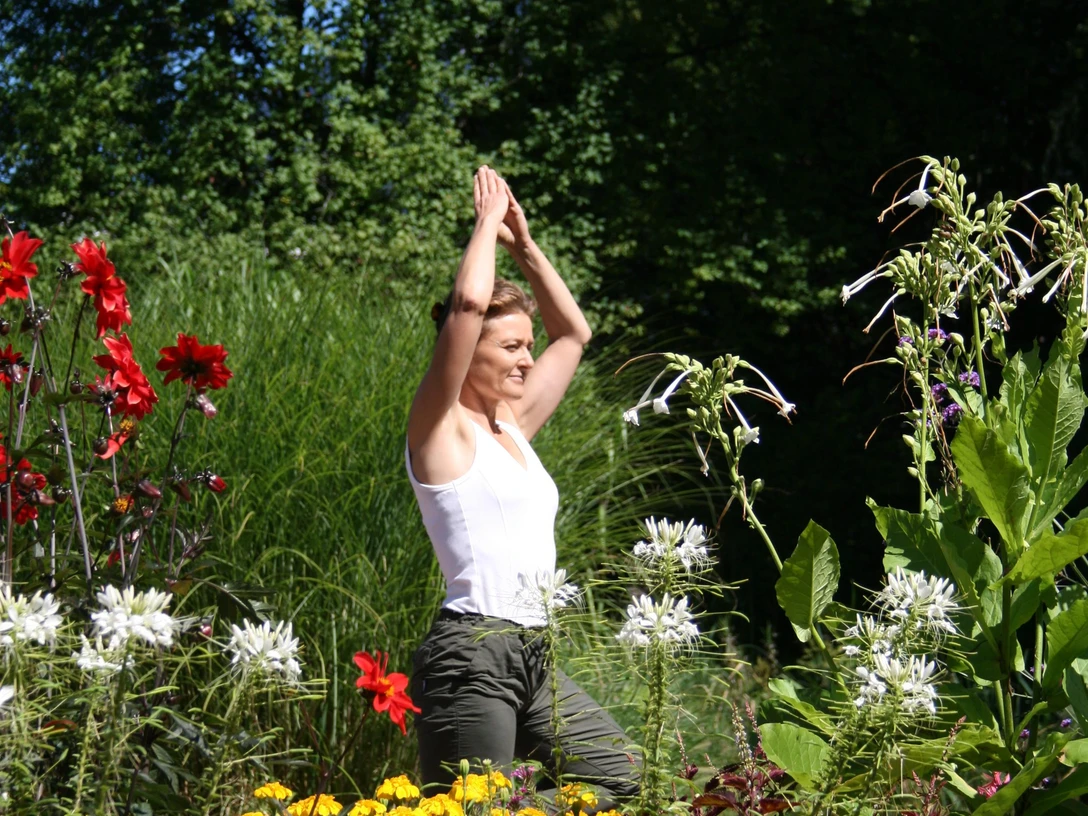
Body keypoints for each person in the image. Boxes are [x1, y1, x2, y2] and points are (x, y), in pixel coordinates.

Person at [406, 166, 637, 811]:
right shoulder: (440, 428)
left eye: (526, 346)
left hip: (535, 653)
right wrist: (484, 224)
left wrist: (524, 246)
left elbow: (575, 335)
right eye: (510, 346)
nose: (528, 360)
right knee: (473, 807)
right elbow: (468, 307)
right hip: (471, 653)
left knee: (618, 777)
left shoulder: (514, 426)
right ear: (466, 351)